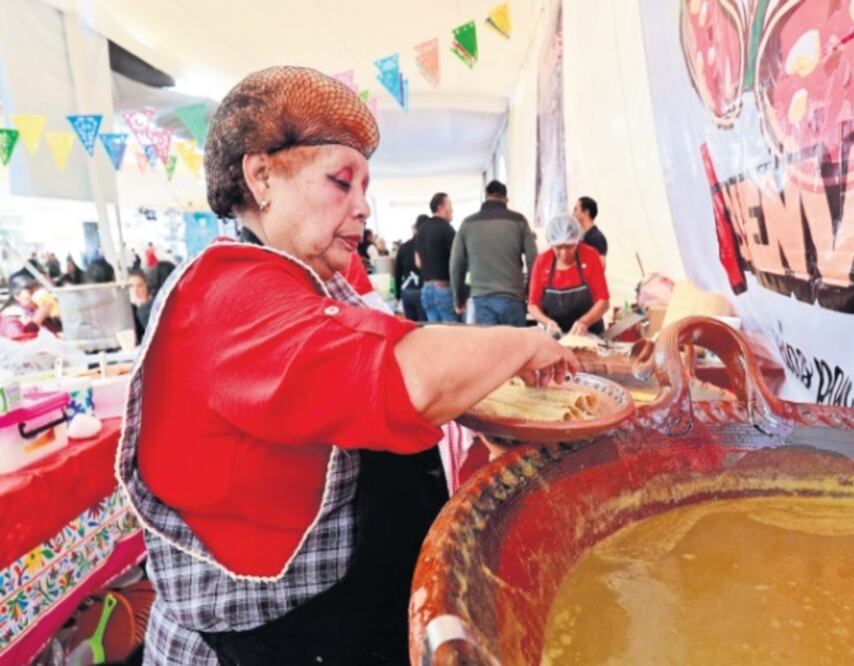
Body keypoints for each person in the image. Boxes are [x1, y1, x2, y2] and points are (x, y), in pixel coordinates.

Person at [116, 66, 576, 666]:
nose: (363, 207)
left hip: (334, 617)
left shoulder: (314, 278)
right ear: (261, 176)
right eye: (341, 182)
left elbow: (404, 339)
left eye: (365, 186)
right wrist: (523, 342)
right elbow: (402, 377)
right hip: (264, 640)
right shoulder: (226, 297)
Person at [450, 181, 537, 326]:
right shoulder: (519, 221)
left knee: (490, 347)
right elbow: (533, 259)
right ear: (505, 199)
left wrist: (459, 299)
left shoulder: (467, 223)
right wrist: (530, 292)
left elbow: (456, 264)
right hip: (513, 296)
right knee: (516, 346)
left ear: (486, 196)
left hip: (481, 299)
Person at [527, 214, 610, 336]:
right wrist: (548, 322)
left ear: (577, 241)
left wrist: (584, 322)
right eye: (558, 247)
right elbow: (533, 304)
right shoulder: (542, 261)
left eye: (569, 246)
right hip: (555, 337)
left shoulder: (590, 256)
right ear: (551, 243)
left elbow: (603, 301)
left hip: (590, 334)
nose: (564, 253)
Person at [415, 192, 457, 322]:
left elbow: (418, 262)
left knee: (434, 332)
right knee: (451, 334)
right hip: (443, 289)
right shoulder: (447, 229)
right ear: (440, 207)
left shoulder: (421, 229)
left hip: (426, 290)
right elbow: (457, 260)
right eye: (449, 205)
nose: (452, 209)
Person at [395, 216, 426, 322]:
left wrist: (397, 295)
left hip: (407, 291)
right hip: (422, 290)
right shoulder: (427, 245)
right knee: (425, 327)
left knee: (411, 326)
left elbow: (397, 272)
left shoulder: (403, 247)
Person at [573, 196, 607, 263]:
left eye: (575, 209)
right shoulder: (582, 237)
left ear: (586, 212)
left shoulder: (597, 238)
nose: (573, 213)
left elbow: (601, 266)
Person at [129, 268, 151, 342]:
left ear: (146, 286)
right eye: (131, 286)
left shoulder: (153, 306)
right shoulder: (128, 309)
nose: (135, 290)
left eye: (140, 286)